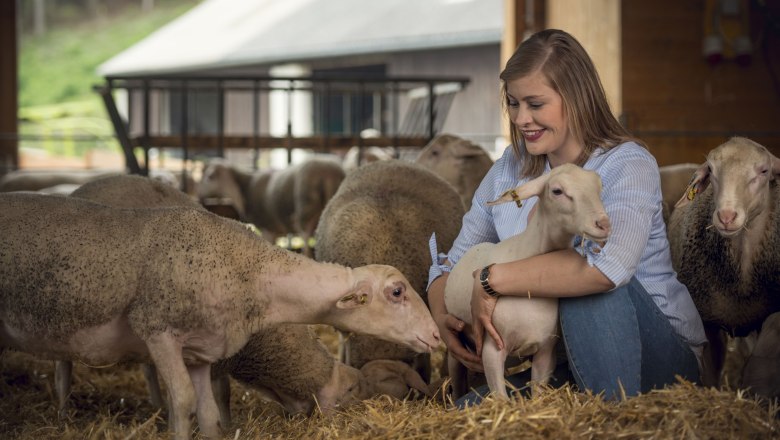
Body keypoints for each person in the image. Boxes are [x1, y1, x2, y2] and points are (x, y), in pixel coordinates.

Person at [426, 29, 706, 406]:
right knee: (469, 412)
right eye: (513, 103)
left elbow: (610, 268)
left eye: (535, 104)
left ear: (575, 99)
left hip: (658, 357)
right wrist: (444, 316)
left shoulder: (627, 164)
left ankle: (614, 417)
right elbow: (454, 260)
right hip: (565, 358)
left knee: (587, 283)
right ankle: (578, 401)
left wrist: (491, 280)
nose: (522, 118)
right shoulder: (509, 170)